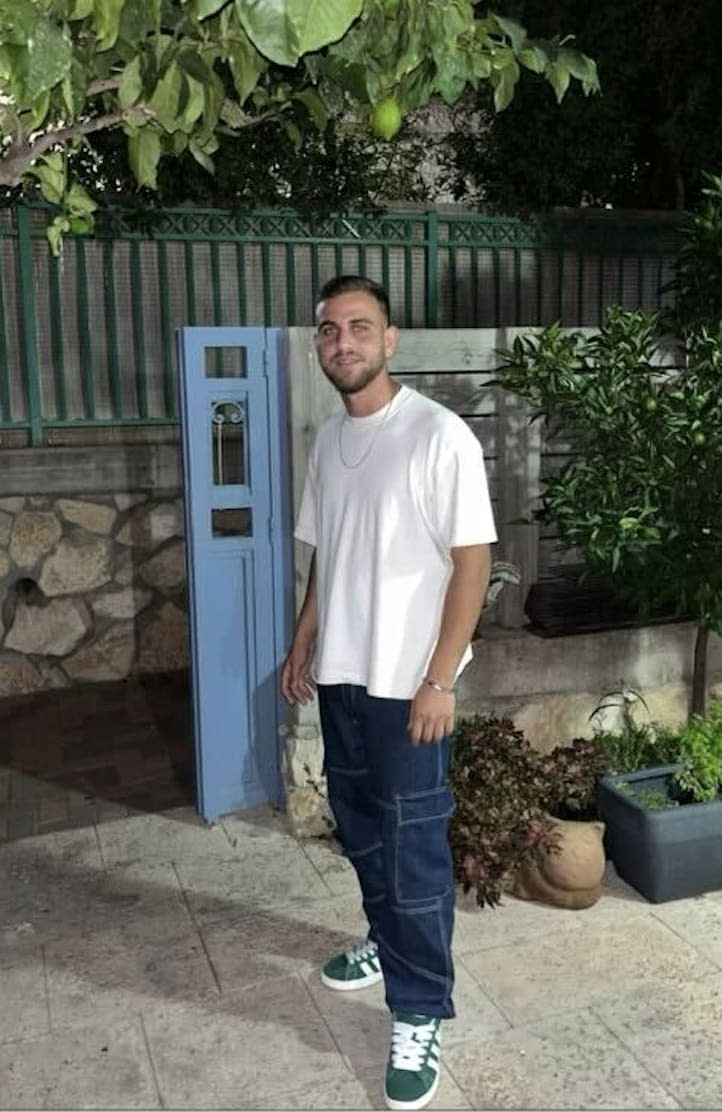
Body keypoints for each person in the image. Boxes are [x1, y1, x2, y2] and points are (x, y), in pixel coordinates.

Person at [280, 275, 496, 1111]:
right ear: (318, 346)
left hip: (411, 687)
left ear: (391, 338)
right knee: (363, 829)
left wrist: (441, 677)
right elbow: (327, 556)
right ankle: (386, 942)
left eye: (359, 327)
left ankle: (418, 1010)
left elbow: (472, 561)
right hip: (342, 675)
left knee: (412, 850)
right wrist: (304, 641)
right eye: (330, 331)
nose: (344, 343)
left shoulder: (439, 436)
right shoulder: (329, 442)